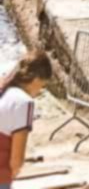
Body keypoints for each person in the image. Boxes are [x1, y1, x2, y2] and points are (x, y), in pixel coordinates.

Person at [0, 49, 52, 189]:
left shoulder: (3, 90)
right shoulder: (24, 102)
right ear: (36, 80)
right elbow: (16, 161)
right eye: (42, 85)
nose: (40, 90)